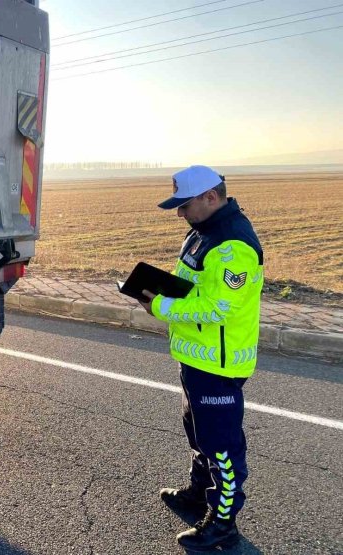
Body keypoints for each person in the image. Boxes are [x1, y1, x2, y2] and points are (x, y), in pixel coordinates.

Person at [138, 165, 263, 551]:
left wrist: (160, 305)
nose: (179, 213)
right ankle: (198, 493)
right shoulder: (203, 233)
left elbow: (219, 308)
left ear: (211, 197)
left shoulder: (233, 245)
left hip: (219, 365)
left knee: (222, 447)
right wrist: (160, 289)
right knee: (198, 432)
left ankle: (223, 523)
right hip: (197, 357)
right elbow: (194, 288)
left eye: (184, 204)